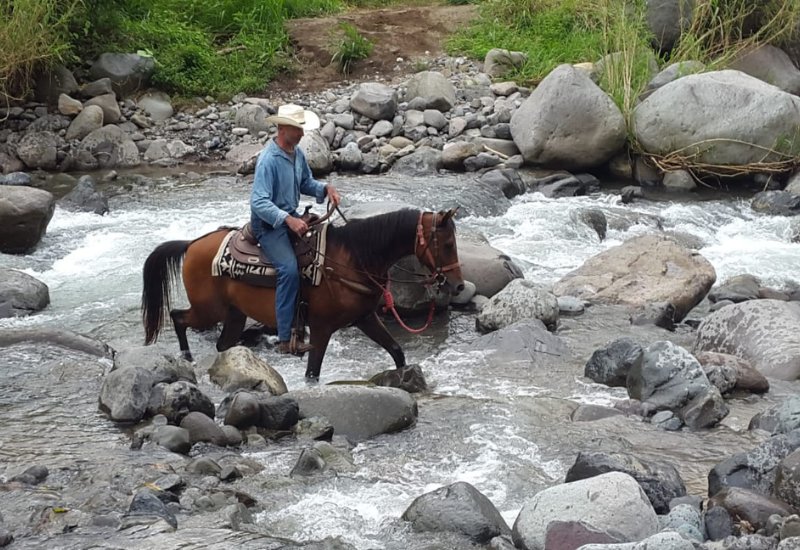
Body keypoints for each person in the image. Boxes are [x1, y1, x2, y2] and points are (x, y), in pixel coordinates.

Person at [250, 104, 341, 355]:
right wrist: (288, 220)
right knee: (289, 270)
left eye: (301, 128)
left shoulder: (296, 153)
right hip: (268, 226)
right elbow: (258, 202)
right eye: (297, 129)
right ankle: (284, 338)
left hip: (291, 217)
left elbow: (305, 182)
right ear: (282, 128)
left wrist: (325, 189)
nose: (302, 133)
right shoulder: (268, 160)